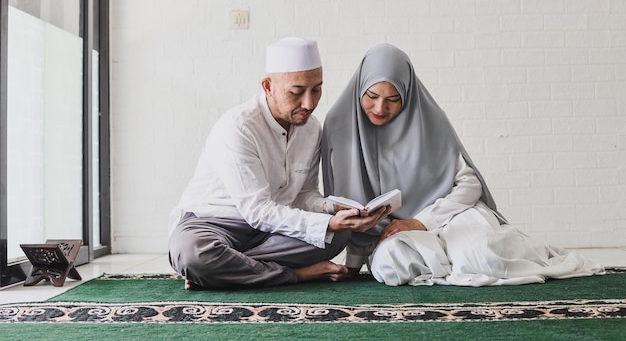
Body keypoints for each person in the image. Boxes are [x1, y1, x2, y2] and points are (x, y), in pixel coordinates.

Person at [321, 43, 604, 286]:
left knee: (485, 257)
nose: (381, 108)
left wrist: (421, 221)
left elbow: (469, 184)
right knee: (391, 266)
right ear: (359, 87)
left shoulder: (428, 121)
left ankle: (457, 259)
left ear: (407, 95)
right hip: (393, 231)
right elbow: (349, 203)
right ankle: (452, 261)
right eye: (371, 96)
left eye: (394, 99)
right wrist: (355, 263)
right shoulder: (340, 126)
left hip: (448, 216)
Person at [168, 37, 390, 289]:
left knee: (339, 236)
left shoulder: (312, 128)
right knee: (194, 254)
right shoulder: (239, 127)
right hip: (214, 223)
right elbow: (257, 210)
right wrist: (324, 224)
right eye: (296, 92)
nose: (309, 103)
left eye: (316, 89)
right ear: (267, 86)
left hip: (270, 234)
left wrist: (331, 209)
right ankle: (298, 274)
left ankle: (222, 271)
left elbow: (304, 194)